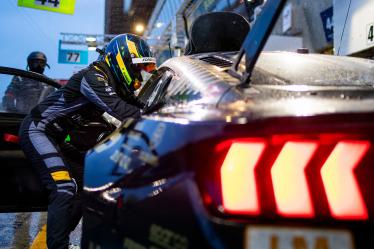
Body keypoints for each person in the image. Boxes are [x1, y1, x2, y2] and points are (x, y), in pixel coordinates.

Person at [19, 34, 157, 249]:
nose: (138, 74)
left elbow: (143, 108)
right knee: (64, 188)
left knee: (87, 188)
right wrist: (163, 124)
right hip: (37, 130)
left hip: (56, 136)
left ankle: (61, 241)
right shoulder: (93, 77)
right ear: (122, 59)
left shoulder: (114, 81)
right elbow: (122, 110)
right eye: (137, 67)